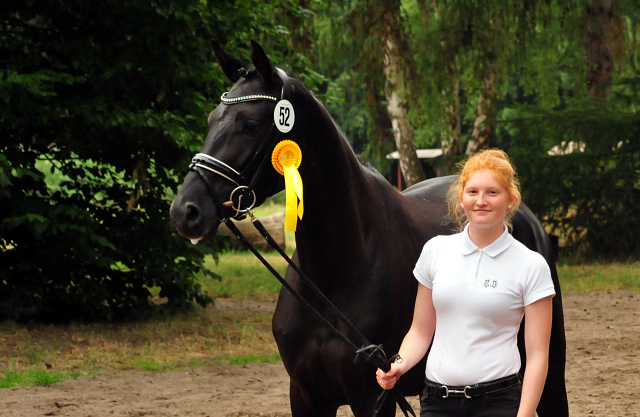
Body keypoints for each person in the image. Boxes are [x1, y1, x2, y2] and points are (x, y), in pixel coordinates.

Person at [376, 149, 555, 417]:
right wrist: (399, 364)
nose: (481, 201)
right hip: (437, 402)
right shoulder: (435, 251)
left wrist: (526, 413)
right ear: (461, 199)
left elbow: (538, 355)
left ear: (510, 200)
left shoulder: (531, 265)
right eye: (472, 192)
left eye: (492, 192)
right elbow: (421, 330)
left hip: (499, 404)